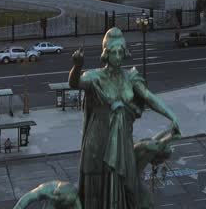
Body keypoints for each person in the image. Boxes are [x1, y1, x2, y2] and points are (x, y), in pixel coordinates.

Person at [69, 27, 181, 208]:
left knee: (128, 185)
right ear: (106, 53)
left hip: (122, 141)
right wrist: (77, 66)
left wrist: (170, 114)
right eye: (115, 52)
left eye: (122, 52)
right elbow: (75, 83)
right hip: (98, 142)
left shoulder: (130, 77)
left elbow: (148, 97)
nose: (119, 56)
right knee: (97, 191)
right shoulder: (95, 77)